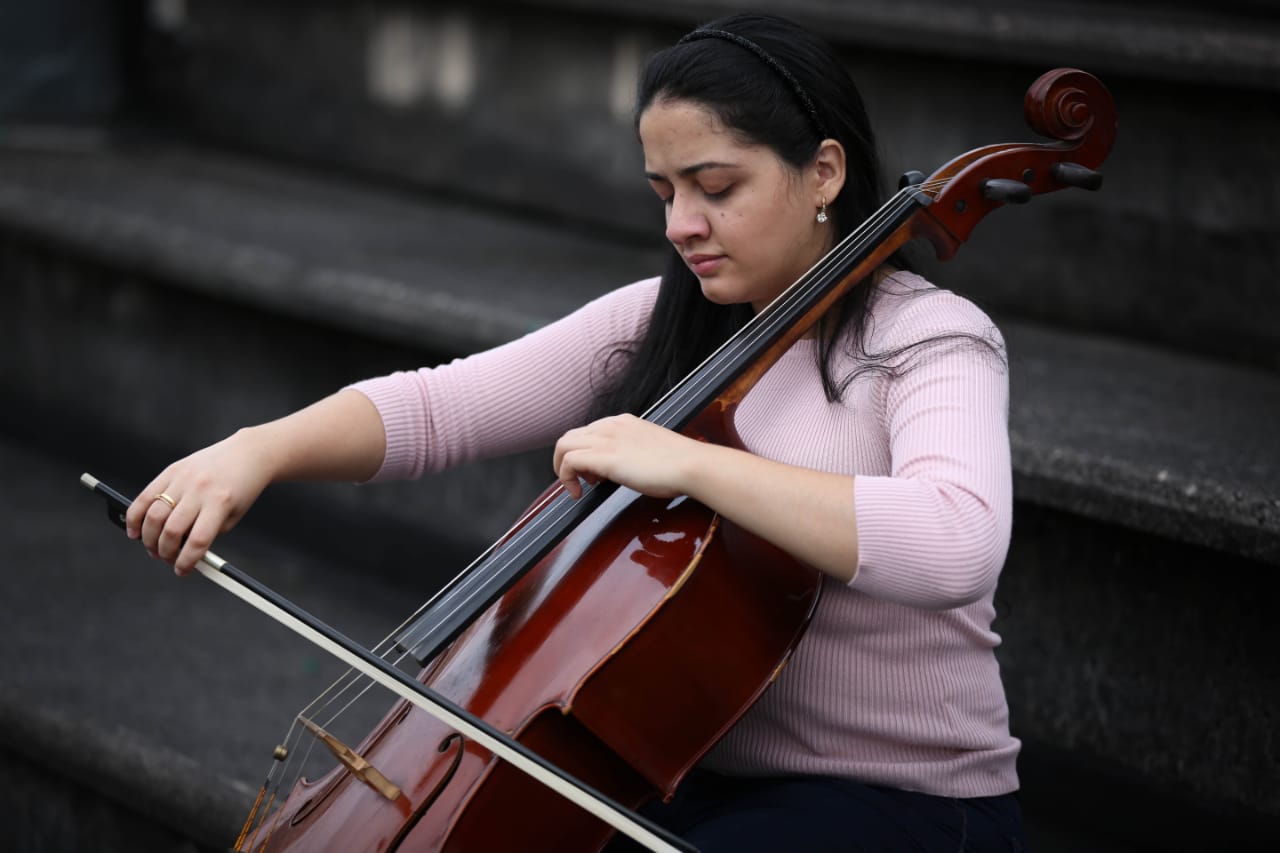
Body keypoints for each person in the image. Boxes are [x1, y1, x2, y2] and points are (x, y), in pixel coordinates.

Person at [125, 12, 1024, 852]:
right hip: (688, 779)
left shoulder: (927, 338)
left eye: (716, 188)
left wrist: (692, 463)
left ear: (824, 172)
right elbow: (437, 408)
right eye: (664, 192)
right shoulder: (664, 321)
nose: (681, 227)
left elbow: (957, 540)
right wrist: (257, 449)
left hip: (911, 804)